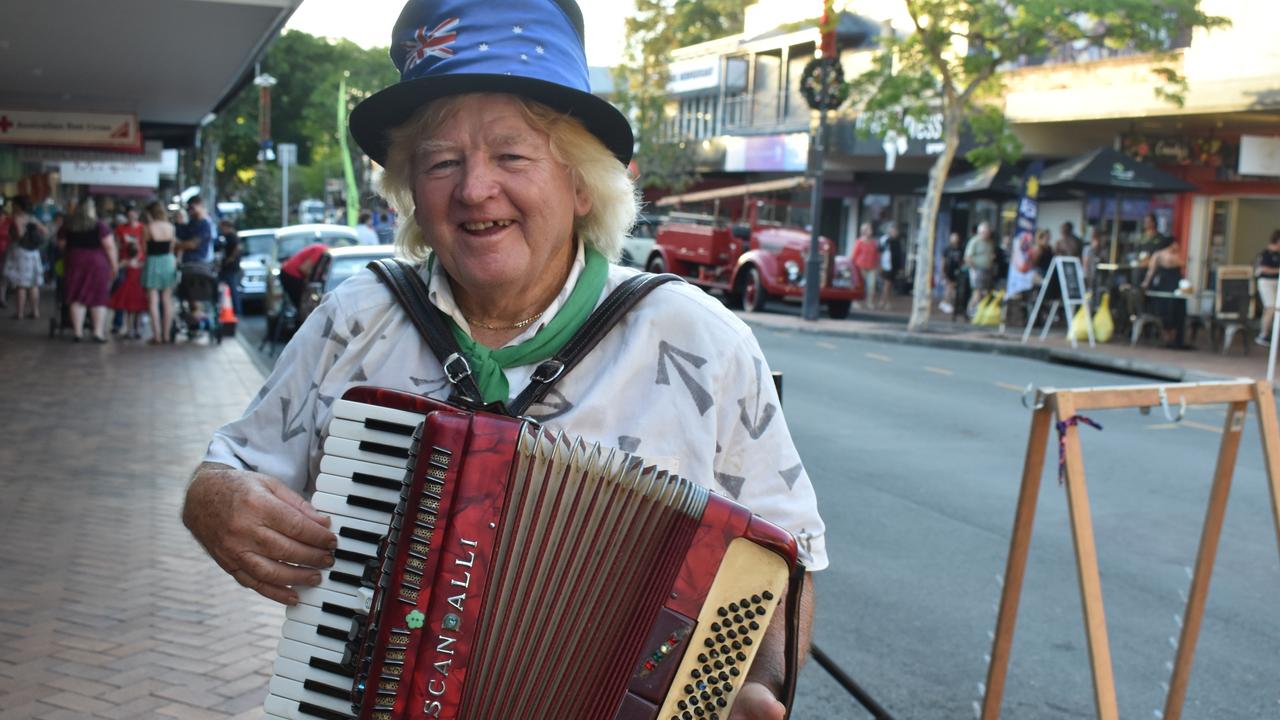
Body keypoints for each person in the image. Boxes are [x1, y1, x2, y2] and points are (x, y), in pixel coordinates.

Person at [183, 2, 823, 717]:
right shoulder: (356, 319)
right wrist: (215, 504)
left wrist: (755, 687)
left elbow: (784, 566)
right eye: (442, 162)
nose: (474, 189)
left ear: (582, 184)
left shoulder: (700, 339)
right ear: (412, 195)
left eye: (511, 155)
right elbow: (231, 467)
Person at [63, 197, 118, 342]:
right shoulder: (100, 226)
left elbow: (61, 244)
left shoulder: (69, 225)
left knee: (76, 296)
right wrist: (114, 265)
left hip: (75, 262)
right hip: (96, 263)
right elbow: (110, 247)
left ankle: (78, 332)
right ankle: (98, 333)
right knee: (98, 297)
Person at [140, 201, 179, 344]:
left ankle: (156, 335)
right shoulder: (171, 227)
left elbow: (144, 249)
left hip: (153, 263)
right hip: (168, 262)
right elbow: (172, 247)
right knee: (167, 300)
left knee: (153, 300)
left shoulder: (148, 228)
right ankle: (167, 335)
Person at [1141, 235, 1188, 349]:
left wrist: (1146, 283)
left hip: (1163, 285)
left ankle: (1167, 337)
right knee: (1172, 310)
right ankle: (1170, 337)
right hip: (1171, 284)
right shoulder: (1172, 256)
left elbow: (1151, 271)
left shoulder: (1158, 255)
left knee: (1167, 310)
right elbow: (1183, 264)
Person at [5, 196, 48, 320]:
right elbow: (45, 231)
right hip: (33, 253)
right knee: (34, 284)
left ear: (18, 206)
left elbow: (18, 234)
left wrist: (20, 233)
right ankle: (35, 311)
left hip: (20, 252)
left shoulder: (17, 218)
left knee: (21, 285)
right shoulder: (33, 218)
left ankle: (20, 313)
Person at [107, 210, 149, 338]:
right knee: (126, 305)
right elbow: (117, 244)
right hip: (127, 274)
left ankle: (134, 328)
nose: (132, 217)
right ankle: (123, 326)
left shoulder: (142, 228)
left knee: (133, 308)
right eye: (129, 215)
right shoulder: (120, 229)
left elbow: (145, 244)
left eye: (134, 215)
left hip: (135, 277)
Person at [277, 241, 327, 310]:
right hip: (290, 274)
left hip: (288, 271)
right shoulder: (321, 250)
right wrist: (309, 281)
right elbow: (304, 269)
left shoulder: (321, 248)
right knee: (302, 305)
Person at [963, 222, 997, 317]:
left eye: (988, 232)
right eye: (985, 232)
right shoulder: (974, 241)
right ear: (980, 232)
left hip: (987, 269)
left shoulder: (990, 242)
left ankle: (979, 312)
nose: (987, 234)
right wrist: (973, 269)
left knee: (985, 292)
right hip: (977, 269)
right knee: (977, 292)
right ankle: (970, 311)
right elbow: (968, 256)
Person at [1255, 230, 1280, 345]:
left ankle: (1268, 334)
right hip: (1266, 282)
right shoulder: (1266, 253)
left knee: (1272, 309)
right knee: (1271, 308)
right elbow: (1262, 269)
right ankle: (1263, 335)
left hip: (1275, 282)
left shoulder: (1277, 254)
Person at [851, 222, 880, 309]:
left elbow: (877, 255)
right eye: (868, 229)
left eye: (870, 229)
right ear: (864, 231)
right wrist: (853, 267)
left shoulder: (874, 242)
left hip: (872, 267)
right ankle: (855, 301)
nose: (870, 231)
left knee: (871, 285)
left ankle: (869, 302)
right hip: (860, 266)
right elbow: (854, 255)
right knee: (859, 284)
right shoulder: (859, 242)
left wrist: (878, 265)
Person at [217, 220, 243, 316]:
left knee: (232, 289)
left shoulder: (232, 236)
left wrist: (230, 259)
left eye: (222, 227)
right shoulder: (227, 237)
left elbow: (238, 247)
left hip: (231, 267)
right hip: (227, 267)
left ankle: (237, 311)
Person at [876, 223, 904, 310]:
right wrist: (879, 264)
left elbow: (899, 255)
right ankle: (883, 301)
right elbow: (880, 252)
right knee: (887, 283)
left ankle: (886, 301)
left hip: (894, 265)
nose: (896, 232)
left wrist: (900, 267)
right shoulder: (885, 240)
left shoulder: (898, 241)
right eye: (894, 231)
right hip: (886, 265)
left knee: (890, 284)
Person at [940, 231, 964, 317]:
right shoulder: (947, 249)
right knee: (948, 287)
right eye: (953, 238)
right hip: (948, 270)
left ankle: (948, 303)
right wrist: (942, 271)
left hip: (957, 271)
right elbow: (943, 260)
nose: (955, 240)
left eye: (956, 238)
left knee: (953, 289)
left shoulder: (960, 249)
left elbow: (962, 261)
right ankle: (945, 302)